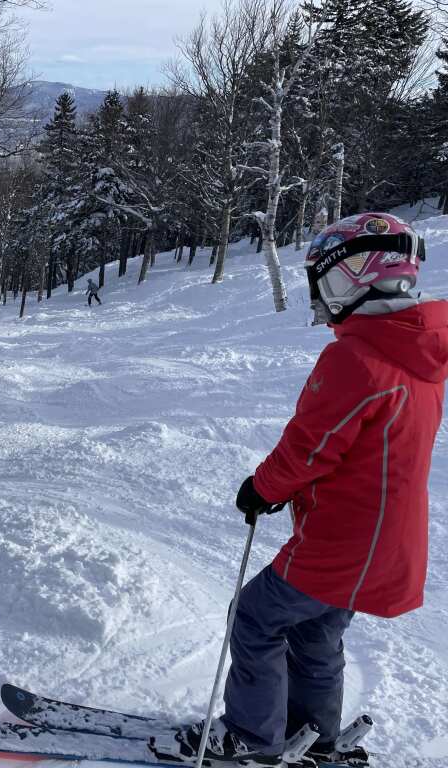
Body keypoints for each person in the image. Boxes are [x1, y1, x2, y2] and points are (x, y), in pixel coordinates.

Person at [176, 213, 448, 768]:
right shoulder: (420, 361)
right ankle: (314, 734)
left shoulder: (356, 358)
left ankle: (252, 737)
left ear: (353, 277)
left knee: (253, 617)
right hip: (387, 545)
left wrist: (262, 488)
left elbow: (311, 445)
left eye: (324, 281)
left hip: (340, 544)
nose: (320, 296)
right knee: (317, 634)